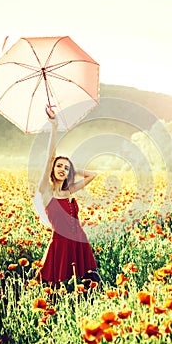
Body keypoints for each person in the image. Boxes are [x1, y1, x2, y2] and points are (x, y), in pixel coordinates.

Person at [36, 106, 101, 290]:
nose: (62, 169)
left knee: (89, 282)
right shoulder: (46, 191)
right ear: (52, 169)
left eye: (66, 167)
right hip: (60, 243)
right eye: (59, 166)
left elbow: (92, 175)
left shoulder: (69, 190)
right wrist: (54, 126)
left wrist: (74, 169)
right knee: (53, 287)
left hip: (79, 240)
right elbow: (50, 158)